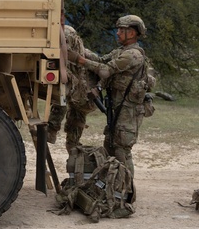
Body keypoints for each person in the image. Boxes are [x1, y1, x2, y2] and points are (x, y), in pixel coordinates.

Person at [70, 14, 155, 186]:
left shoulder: (132, 55)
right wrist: (80, 50)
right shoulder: (120, 52)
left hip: (128, 111)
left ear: (131, 33)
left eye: (121, 30)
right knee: (110, 146)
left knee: (122, 150)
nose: (117, 33)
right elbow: (101, 60)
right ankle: (114, 187)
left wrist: (80, 60)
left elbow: (105, 71)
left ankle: (126, 190)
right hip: (118, 108)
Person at [55, 25, 99, 175]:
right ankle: (77, 172)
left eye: (68, 41)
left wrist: (97, 89)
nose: (66, 45)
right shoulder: (63, 58)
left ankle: (53, 126)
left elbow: (103, 70)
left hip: (84, 101)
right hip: (75, 102)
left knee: (62, 88)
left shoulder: (87, 56)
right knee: (71, 143)